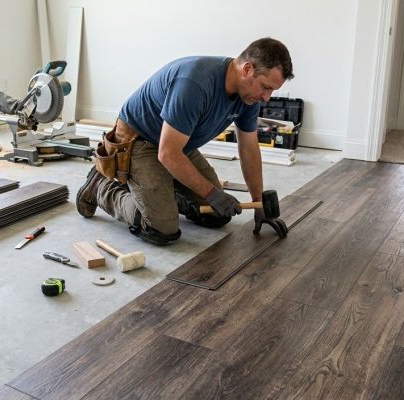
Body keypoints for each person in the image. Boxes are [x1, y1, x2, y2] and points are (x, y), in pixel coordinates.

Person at [76, 37, 293, 245]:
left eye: (272, 91)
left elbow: (249, 149)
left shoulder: (249, 97)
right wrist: (211, 193)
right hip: (140, 140)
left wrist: (259, 203)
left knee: (218, 215)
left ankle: (162, 195)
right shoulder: (195, 83)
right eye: (266, 87)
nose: (267, 97)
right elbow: (167, 154)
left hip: (178, 144)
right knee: (161, 229)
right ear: (247, 69)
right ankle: (101, 187)